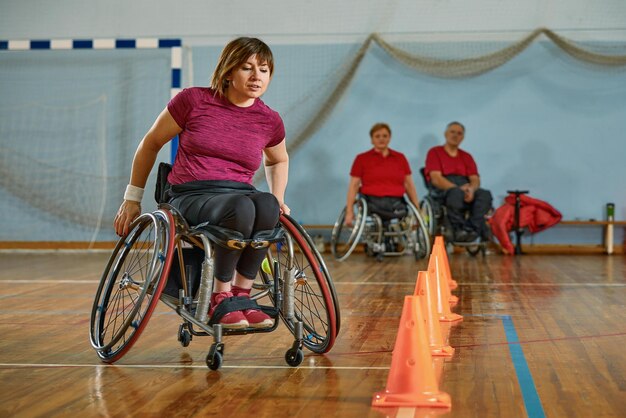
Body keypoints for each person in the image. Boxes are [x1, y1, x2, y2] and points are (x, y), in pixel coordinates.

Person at [113, 37, 289, 330]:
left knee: (269, 205)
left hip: (238, 194)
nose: (257, 76)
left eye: (264, 70)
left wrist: (279, 195)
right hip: (190, 194)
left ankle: (240, 294)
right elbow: (151, 143)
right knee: (243, 207)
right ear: (229, 72)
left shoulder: (269, 120)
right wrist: (132, 198)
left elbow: (278, 160)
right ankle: (219, 297)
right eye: (247, 67)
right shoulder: (194, 101)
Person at [424, 121, 492, 242]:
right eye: (452, 132)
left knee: (485, 195)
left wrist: (471, 189)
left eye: (459, 133)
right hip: (444, 189)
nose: (455, 135)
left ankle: (472, 228)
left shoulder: (466, 157)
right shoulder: (435, 152)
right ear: (445, 134)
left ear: (463, 137)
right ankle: (457, 229)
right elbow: (436, 178)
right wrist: (458, 189)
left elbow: (475, 178)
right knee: (455, 194)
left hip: (465, 187)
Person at [344, 123, 420, 228]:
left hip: (396, 202)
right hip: (371, 202)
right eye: (377, 136)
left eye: (385, 136)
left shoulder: (400, 158)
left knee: (402, 215)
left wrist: (417, 210)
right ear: (372, 139)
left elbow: (409, 185)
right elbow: (353, 186)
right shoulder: (362, 159)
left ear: (389, 138)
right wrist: (349, 211)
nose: (381, 139)